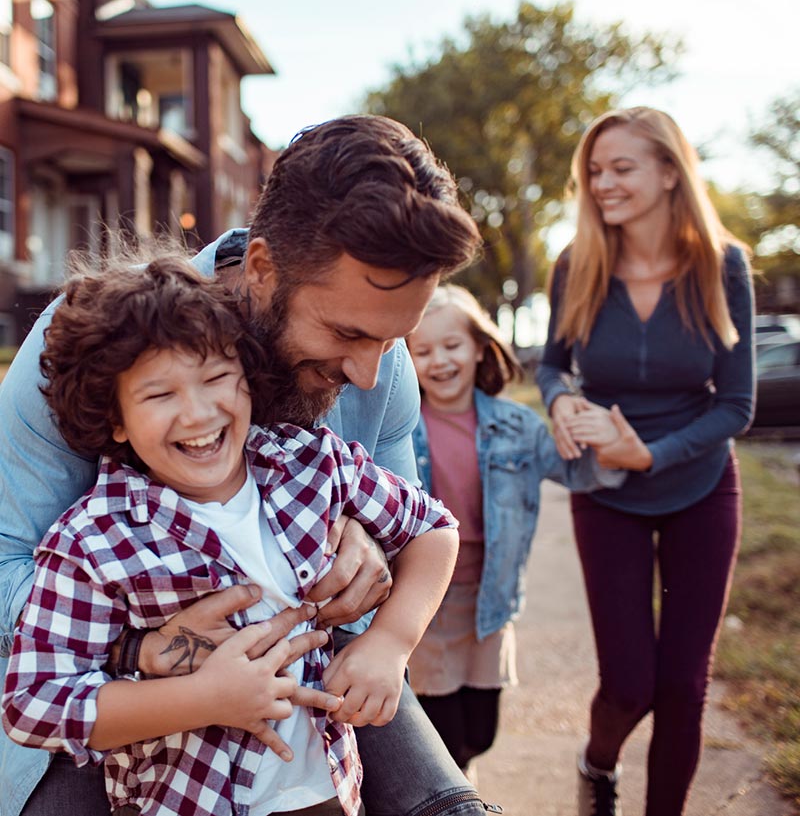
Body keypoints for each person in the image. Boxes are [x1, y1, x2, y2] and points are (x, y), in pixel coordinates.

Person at [0, 114, 492, 816]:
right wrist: (141, 648)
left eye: (393, 339)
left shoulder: (379, 367)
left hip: (314, 685)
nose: (366, 373)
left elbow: (412, 523)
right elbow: (5, 563)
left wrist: (367, 544)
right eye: (346, 333)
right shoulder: (93, 341)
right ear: (261, 268)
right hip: (115, 702)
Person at [535, 107, 755, 816]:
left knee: (684, 687)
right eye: (594, 171)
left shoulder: (724, 266)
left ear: (669, 172)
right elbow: (551, 367)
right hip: (606, 490)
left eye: (621, 168)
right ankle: (598, 765)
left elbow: (736, 404)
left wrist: (654, 451)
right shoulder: (576, 266)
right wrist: (562, 402)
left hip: (699, 484)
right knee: (630, 682)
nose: (603, 183)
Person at [404, 284, 627, 782]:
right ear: (406, 359)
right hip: (426, 600)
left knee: (481, 730)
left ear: (481, 347)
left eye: (452, 345)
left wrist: (610, 443)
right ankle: (452, 797)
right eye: (423, 350)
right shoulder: (401, 427)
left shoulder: (517, 426)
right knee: (444, 733)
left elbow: (577, 474)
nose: (439, 360)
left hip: (490, 600)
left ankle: (458, 782)